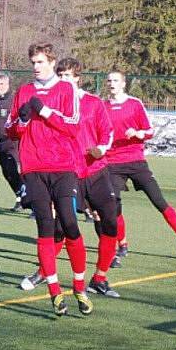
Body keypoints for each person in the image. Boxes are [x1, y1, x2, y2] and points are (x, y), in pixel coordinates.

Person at [19, 58, 121, 298]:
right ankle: (44, 272)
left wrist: (101, 149)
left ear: (77, 78)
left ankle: (100, 278)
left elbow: (107, 133)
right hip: (68, 171)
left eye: (68, 76)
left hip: (95, 170)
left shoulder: (93, 103)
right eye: (60, 75)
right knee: (60, 227)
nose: (63, 80)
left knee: (110, 221)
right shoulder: (51, 100)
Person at [5, 43, 92, 316]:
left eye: (40, 62)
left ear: (52, 63)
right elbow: (11, 131)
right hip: (33, 167)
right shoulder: (24, 91)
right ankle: (54, 291)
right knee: (44, 225)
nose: (35, 67)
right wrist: (20, 121)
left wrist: (44, 112)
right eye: (33, 62)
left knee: (68, 221)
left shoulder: (66, 89)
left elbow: (74, 125)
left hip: (62, 164)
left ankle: (79, 286)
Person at [104, 70, 176, 264]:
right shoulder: (102, 106)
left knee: (159, 201)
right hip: (112, 164)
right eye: (109, 81)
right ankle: (122, 244)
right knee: (113, 206)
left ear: (124, 84)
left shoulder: (134, 104)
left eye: (116, 80)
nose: (112, 83)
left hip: (136, 162)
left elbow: (149, 131)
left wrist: (138, 134)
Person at [0, 73, 24, 211]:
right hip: (1, 143)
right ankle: (21, 197)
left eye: (1, 84)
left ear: (8, 85)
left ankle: (31, 201)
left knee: (13, 169)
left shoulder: (14, 101)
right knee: (7, 173)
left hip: (12, 141)